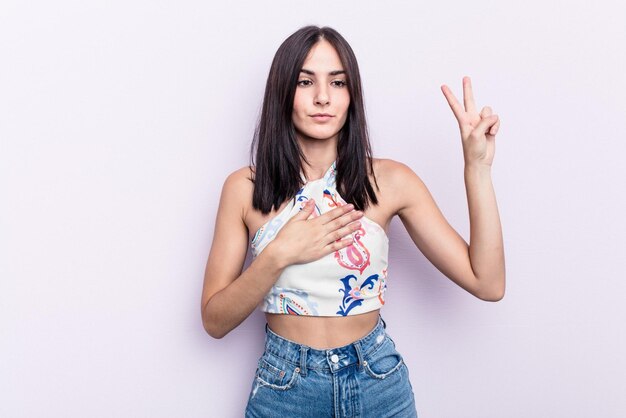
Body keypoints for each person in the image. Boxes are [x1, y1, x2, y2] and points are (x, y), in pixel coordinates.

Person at [201, 25, 505, 418]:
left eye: (338, 82)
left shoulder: (391, 180)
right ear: (282, 93)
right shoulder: (244, 188)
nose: (323, 97)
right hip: (285, 388)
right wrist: (278, 254)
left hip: (377, 382)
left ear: (351, 95)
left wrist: (477, 168)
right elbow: (214, 320)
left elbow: (488, 282)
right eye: (305, 81)